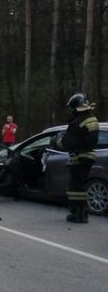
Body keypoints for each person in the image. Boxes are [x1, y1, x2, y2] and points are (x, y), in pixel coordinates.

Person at [51, 93, 99, 223]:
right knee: (81, 186)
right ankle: (83, 214)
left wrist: (55, 141)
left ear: (75, 107)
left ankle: (76, 214)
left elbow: (67, 143)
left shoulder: (77, 122)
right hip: (90, 156)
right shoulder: (92, 119)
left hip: (79, 157)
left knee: (75, 188)